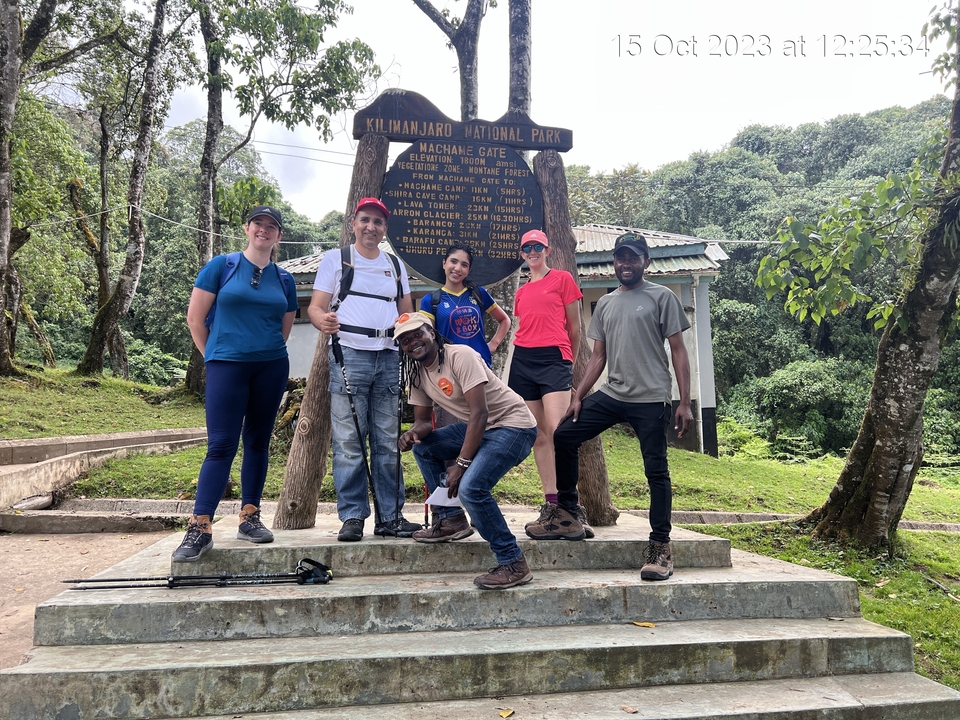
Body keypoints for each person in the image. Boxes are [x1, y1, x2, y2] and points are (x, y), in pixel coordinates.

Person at [525, 232, 693, 582]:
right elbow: (598, 357)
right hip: (614, 394)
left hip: (651, 399)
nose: (625, 264)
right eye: (621, 258)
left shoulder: (662, 297)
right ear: (614, 262)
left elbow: (678, 350)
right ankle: (570, 513)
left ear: (646, 262)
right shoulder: (606, 305)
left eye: (633, 258)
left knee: (656, 472)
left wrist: (685, 401)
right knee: (565, 435)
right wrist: (578, 396)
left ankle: (660, 546)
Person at [174, 205, 299, 562]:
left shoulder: (285, 279)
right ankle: (200, 526)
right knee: (221, 445)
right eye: (258, 224)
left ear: (279, 235)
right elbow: (195, 319)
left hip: (270, 366)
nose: (264, 230)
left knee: (258, 443)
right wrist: (214, 354)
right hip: (226, 365)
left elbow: (284, 328)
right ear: (247, 228)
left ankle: (249, 516)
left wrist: (263, 352)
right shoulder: (221, 266)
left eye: (271, 226)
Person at [395, 312, 538, 590]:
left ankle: (513, 562)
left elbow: (479, 413)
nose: (412, 342)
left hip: (513, 425)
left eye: (417, 334)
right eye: (404, 340)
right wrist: (413, 434)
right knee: (425, 450)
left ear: (432, 333)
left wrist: (461, 465)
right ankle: (451, 520)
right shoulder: (416, 373)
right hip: (481, 427)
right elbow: (424, 421)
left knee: (471, 488)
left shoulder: (461, 355)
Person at [309, 197, 419, 542]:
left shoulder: (395, 265)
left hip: (388, 356)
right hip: (349, 354)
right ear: (354, 223)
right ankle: (353, 516)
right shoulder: (336, 259)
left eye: (378, 222)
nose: (371, 227)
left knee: (387, 442)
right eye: (365, 220)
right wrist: (321, 321)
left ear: (385, 229)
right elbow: (314, 307)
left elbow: (406, 313)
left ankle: (391, 517)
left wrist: (413, 341)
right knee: (349, 442)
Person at [506, 229, 591, 536]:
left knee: (560, 433)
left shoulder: (562, 279)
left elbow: (575, 327)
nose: (532, 251)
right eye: (527, 247)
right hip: (523, 361)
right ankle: (552, 505)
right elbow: (524, 325)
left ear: (547, 249)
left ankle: (572, 507)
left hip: (555, 359)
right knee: (538, 435)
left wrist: (568, 362)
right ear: (522, 253)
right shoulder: (521, 289)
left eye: (537, 246)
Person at [420, 243, 511, 368]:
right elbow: (427, 339)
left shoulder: (478, 293)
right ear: (444, 263)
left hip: (480, 365)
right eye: (453, 261)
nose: (457, 268)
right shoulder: (430, 301)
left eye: (464, 265)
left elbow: (504, 320)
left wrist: (494, 344)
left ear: (468, 271)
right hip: (449, 367)